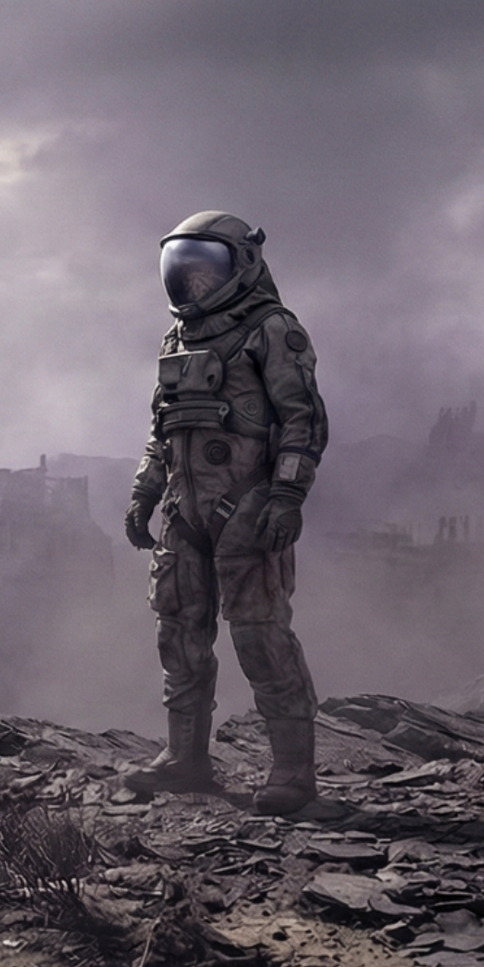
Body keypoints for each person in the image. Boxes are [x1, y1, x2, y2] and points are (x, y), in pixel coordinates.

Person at [119, 211, 328, 815]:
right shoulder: (177, 340)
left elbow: (302, 421)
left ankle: (292, 772)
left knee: (261, 637)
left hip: (249, 509)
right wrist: (144, 492)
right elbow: (165, 430)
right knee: (179, 633)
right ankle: (186, 760)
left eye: (205, 270)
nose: (194, 285)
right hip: (186, 512)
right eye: (183, 272)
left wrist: (288, 495)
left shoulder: (272, 330)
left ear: (243, 264)